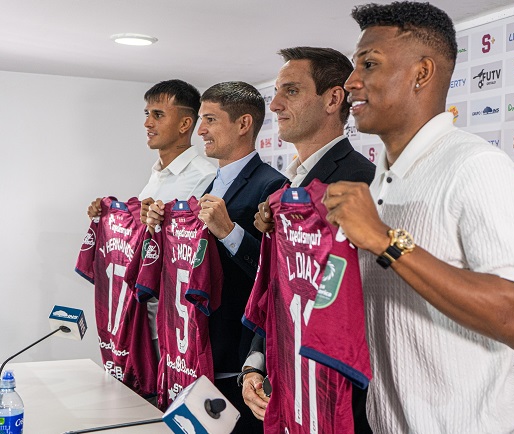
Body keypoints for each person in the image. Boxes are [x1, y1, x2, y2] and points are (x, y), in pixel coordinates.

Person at [321, 3, 514, 433]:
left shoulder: (476, 166)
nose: (351, 82)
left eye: (369, 64)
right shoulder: (382, 176)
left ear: (421, 73)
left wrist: (386, 241)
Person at [239, 47, 375, 433]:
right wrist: (255, 365)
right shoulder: (287, 189)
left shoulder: (361, 182)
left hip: (335, 401)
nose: (275, 104)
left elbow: (358, 308)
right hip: (288, 387)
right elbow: (281, 292)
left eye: (292, 91)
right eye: (277, 92)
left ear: (333, 99)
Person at [146, 81, 286, 433]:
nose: (201, 130)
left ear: (243, 124)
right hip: (198, 349)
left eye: (210, 119)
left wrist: (229, 231)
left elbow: (275, 277)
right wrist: (159, 227)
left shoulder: (274, 185)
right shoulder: (210, 186)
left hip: (238, 357)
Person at [86, 79, 215, 369]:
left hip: (175, 324)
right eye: (147, 114)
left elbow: (196, 250)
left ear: (185, 124)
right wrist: (107, 217)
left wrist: (155, 224)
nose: (147, 123)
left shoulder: (204, 176)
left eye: (158, 115)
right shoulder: (157, 174)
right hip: (142, 315)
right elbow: (144, 235)